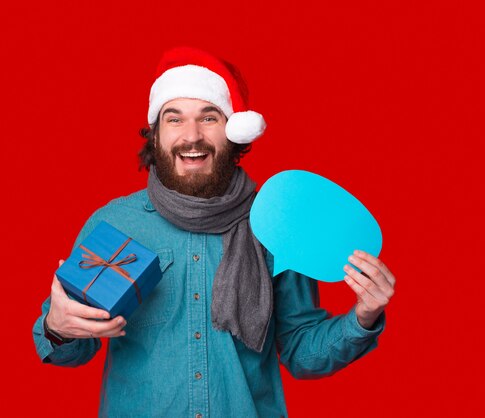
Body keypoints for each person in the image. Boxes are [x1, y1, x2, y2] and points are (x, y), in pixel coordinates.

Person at [32, 46, 396, 418]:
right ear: (155, 136)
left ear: (234, 133)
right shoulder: (116, 224)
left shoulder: (275, 224)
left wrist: (363, 317)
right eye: (175, 119)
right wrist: (58, 327)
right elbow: (71, 347)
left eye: (209, 118)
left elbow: (302, 351)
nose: (192, 136)